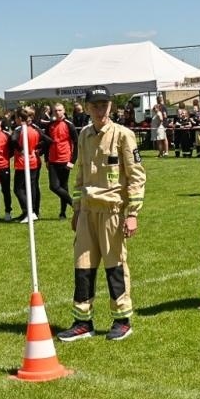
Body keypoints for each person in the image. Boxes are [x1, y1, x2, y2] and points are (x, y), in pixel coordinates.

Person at [57, 87, 146, 342]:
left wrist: (132, 214)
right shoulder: (84, 134)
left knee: (114, 265)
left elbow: (137, 177)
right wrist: (76, 210)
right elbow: (81, 175)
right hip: (87, 211)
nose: (100, 109)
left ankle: (122, 320)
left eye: (104, 104)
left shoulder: (123, 135)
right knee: (83, 266)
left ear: (112, 107)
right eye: (95, 105)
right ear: (86, 108)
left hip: (112, 211)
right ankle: (83, 321)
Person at [10, 108, 42, 222]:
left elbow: (12, 139)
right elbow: (47, 140)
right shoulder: (34, 129)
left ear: (19, 119)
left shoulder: (20, 129)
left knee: (18, 189)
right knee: (30, 187)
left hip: (23, 163)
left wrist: (20, 149)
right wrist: (37, 149)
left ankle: (30, 211)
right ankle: (28, 212)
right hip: (33, 161)